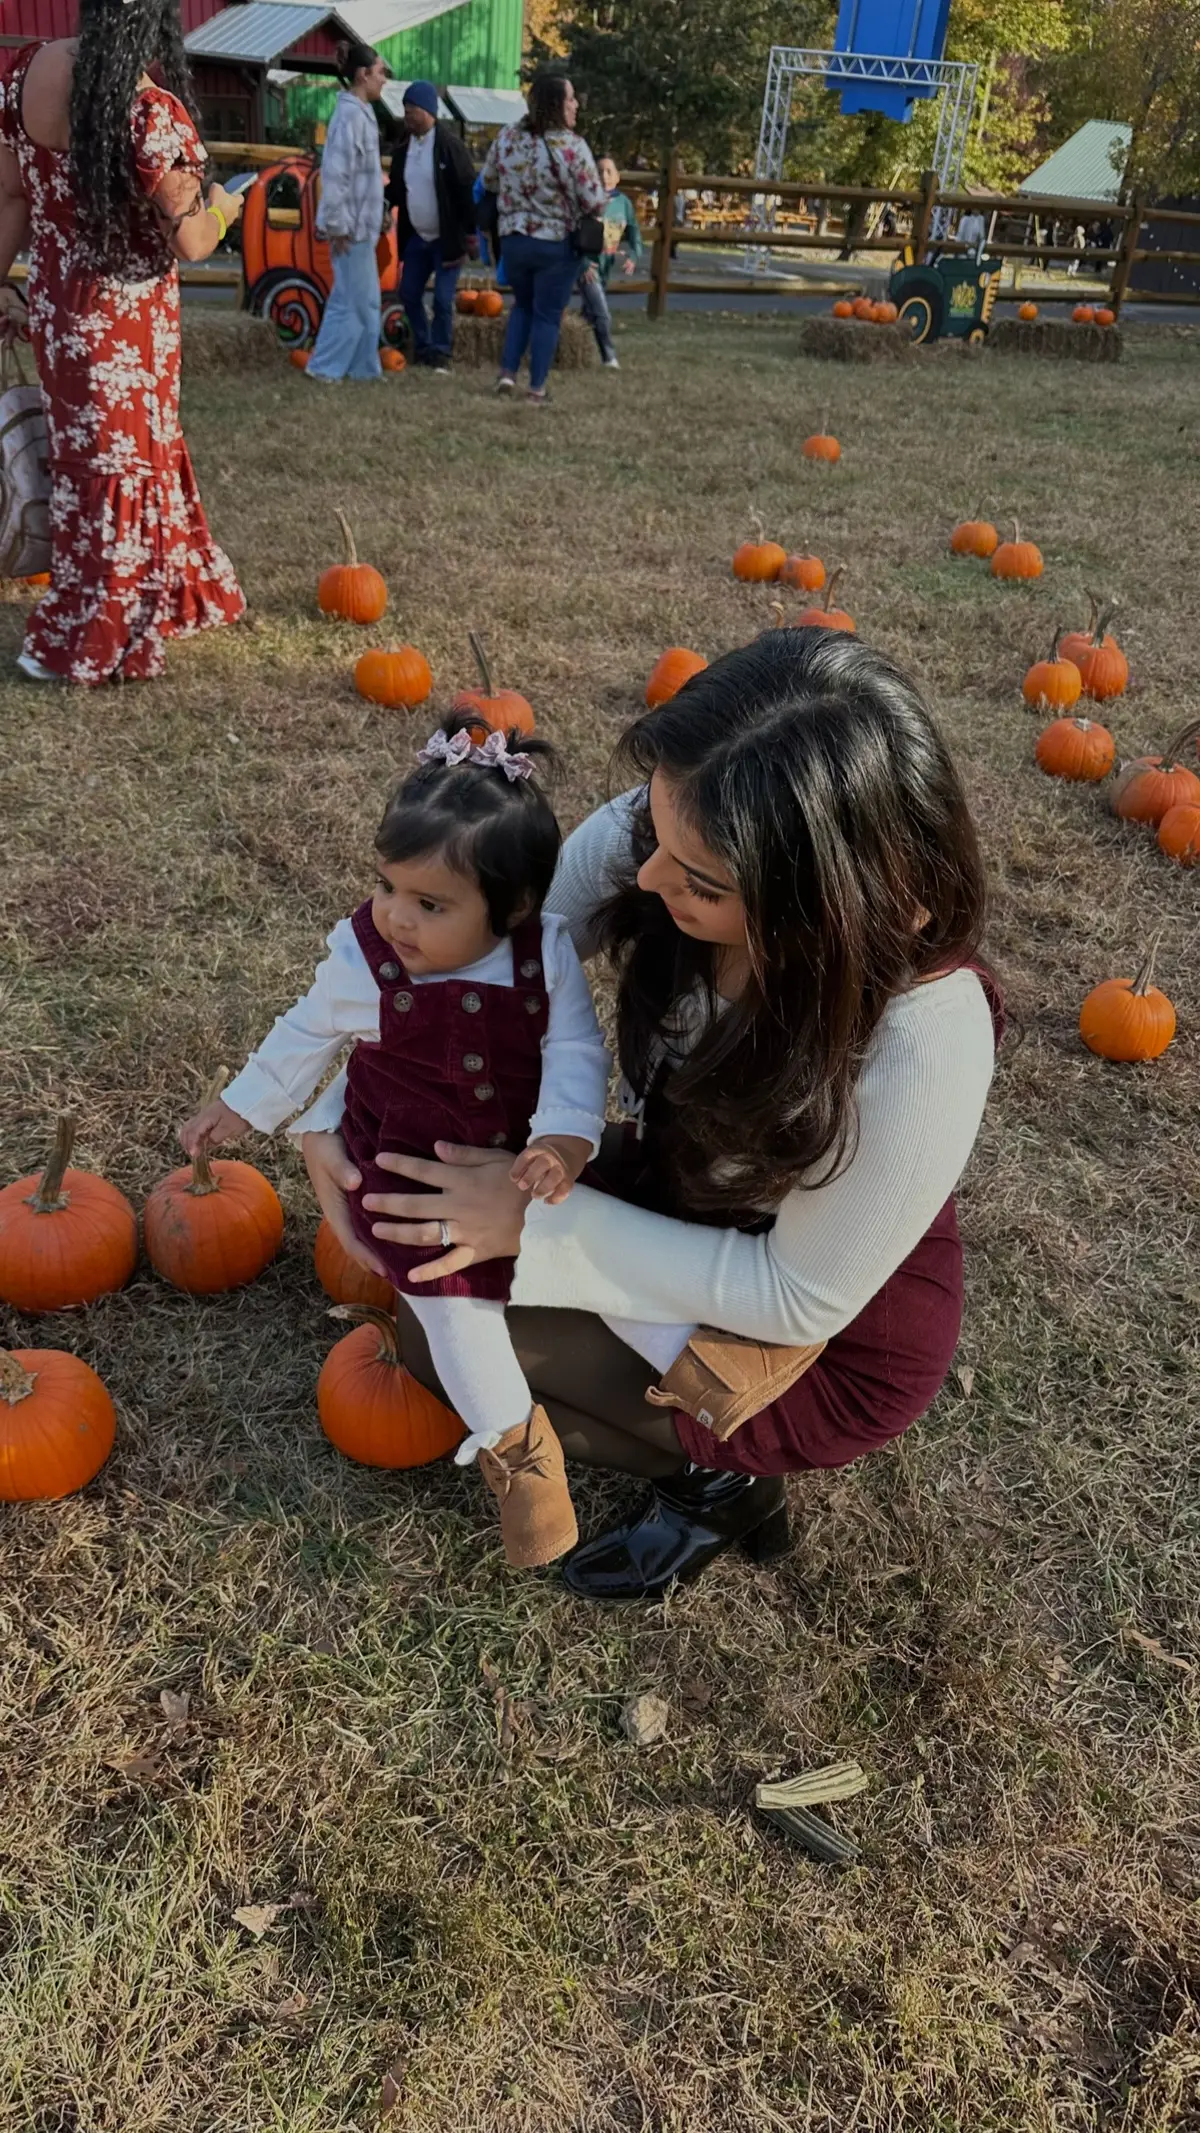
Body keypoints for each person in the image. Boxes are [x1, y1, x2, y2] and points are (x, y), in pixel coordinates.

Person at [302, 630, 1001, 1601]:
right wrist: (335, 1113)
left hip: (821, 1326)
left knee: (433, 1340)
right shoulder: (687, 817)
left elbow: (799, 1296)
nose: (646, 879)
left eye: (700, 883)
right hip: (689, 1188)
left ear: (828, 909)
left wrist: (535, 1221)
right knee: (435, 1289)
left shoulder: (928, 1033)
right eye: (656, 833)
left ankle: (720, 1480)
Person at [178, 715, 699, 1573]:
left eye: (430, 904)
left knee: (600, 1260)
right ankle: (520, 1455)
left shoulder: (545, 955)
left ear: (515, 908)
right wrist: (242, 1108)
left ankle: (707, 1368)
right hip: (411, 1167)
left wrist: (566, 1139)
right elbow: (305, 1034)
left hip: (517, 1155)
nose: (397, 917)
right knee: (453, 1307)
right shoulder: (365, 956)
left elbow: (574, 1051)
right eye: (387, 885)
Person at [0, 0, 245, 685]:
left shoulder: (23, 76)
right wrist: (225, 206)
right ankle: (97, 629)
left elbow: (12, 197)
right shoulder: (149, 111)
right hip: (127, 315)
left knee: (88, 459)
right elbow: (193, 241)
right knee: (128, 458)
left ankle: (157, 592)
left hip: (57, 301)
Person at [481, 70, 606, 405]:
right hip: (556, 243)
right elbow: (593, 200)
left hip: (513, 240)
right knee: (548, 314)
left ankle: (507, 374)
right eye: (570, 98)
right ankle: (536, 388)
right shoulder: (572, 147)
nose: (576, 105)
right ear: (556, 104)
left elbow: (489, 181)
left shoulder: (507, 138)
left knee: (522, 306)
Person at [307, 41, 388, 384]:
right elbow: (336, 174)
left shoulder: (363, 114)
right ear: (363, 74)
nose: (385, 79)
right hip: (349, 228)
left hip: (362, 226)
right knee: (349, 301)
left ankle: (363, 369)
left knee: (367, 300)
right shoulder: (349, 116)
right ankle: (323, 367)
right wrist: (337, 225)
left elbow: (365, 176)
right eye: (381, 72)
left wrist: (379, 211)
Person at [385, 80, 477, 373]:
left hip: (447, 237)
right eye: (405, 110)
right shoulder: (403, 149)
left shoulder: (451, 147)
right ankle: (422, 346)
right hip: (417, 236)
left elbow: (466, 191)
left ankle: (441, 353)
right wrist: (383, 204)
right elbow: (398, 189)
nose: (407, 116)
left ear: (428, 111)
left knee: (441, 298)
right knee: (409, 292)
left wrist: (471, 233)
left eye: (412, 110)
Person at [576, 154, 643, 370]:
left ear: (618, 177)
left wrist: (633, 256)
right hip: (587, 267)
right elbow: (573, 233)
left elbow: (634, 232)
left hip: (606, 266)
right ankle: (609, 358)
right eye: (600, 171)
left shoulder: (624, 204)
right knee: (602, 313)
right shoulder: (587, 202)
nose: (604, 176)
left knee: (588, 315)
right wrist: (583, 262)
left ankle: (566, 349)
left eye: (609, 171)